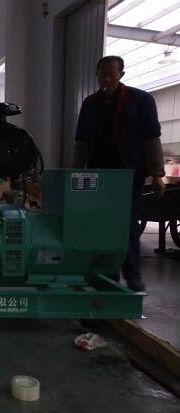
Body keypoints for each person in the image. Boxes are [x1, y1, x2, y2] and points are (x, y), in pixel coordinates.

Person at [73, 55, 165, 292]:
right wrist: (76, 171)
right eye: (103, 75)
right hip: (98, 174)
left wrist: (157, 174)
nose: (107, 79)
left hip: (128, 175)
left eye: (112, 74)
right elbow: (81, 142)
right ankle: (108, 274)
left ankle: (132, 275)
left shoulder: (140, 100)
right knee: (100, 223)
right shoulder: (90, 104)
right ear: (96, 75)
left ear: (121, 75)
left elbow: (151, 138)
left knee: (128, 224)